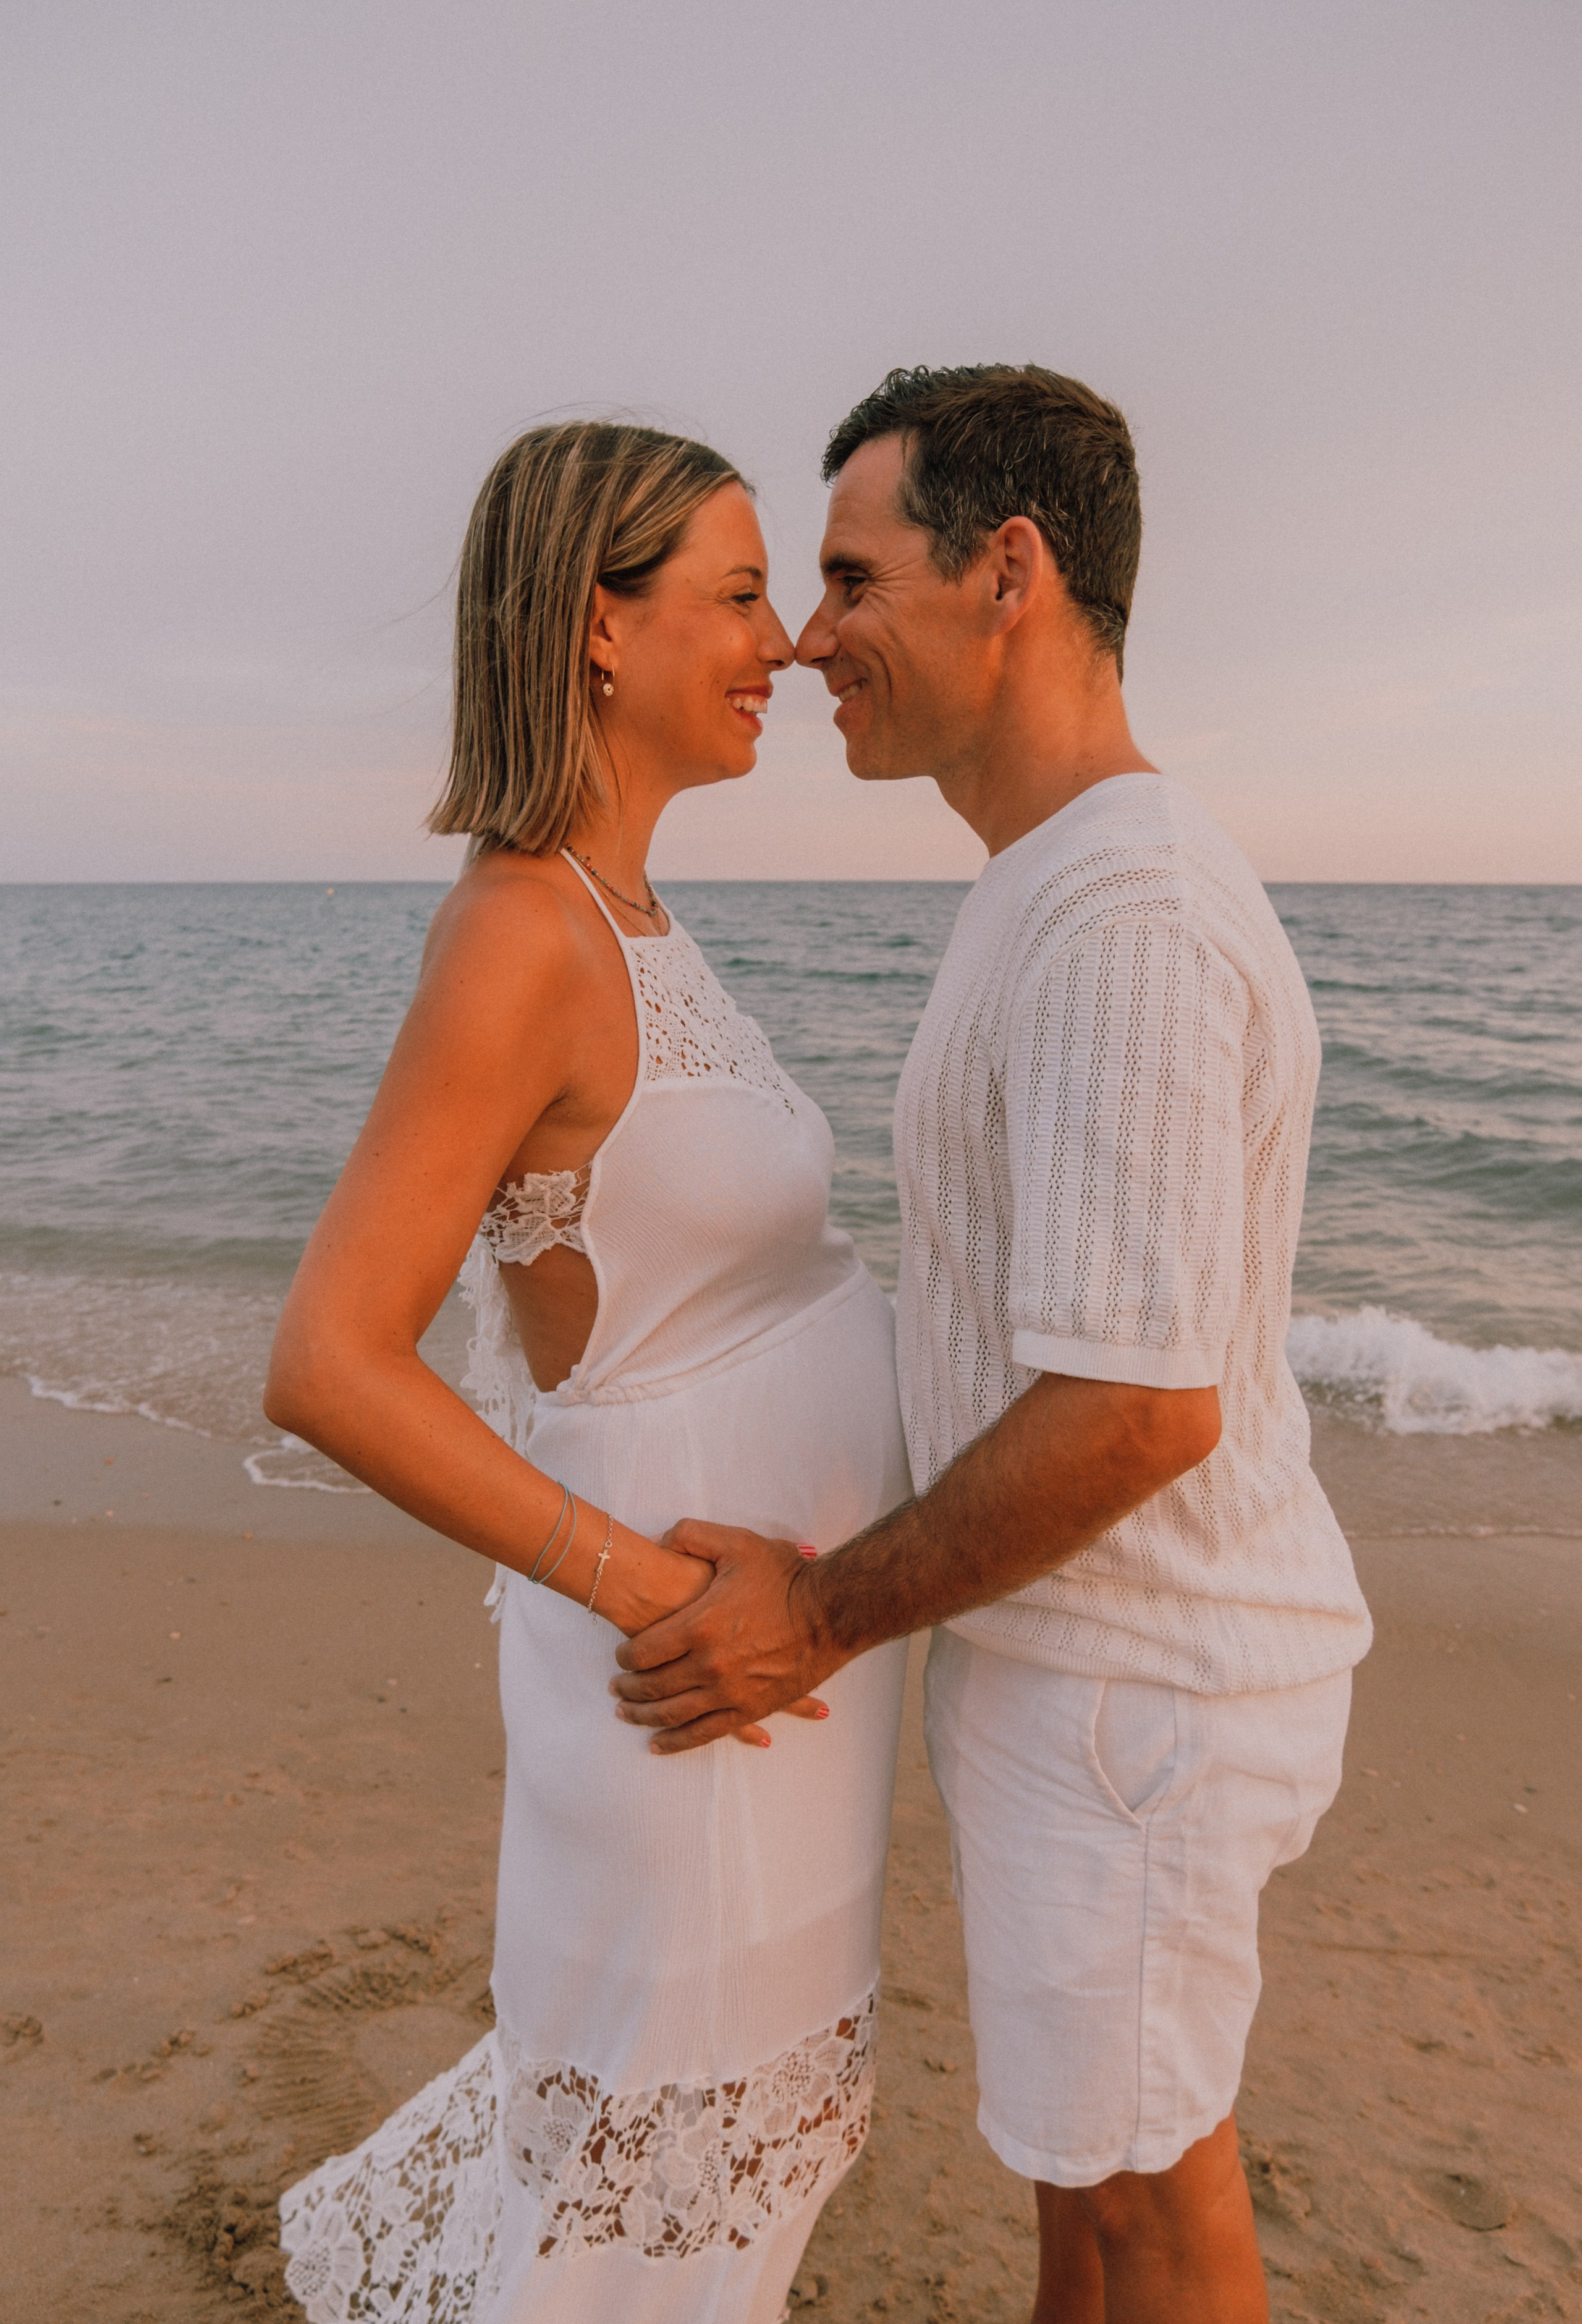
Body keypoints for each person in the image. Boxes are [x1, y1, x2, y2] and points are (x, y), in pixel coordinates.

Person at [611, 365, 1374, 2324]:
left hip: (1142, 1690)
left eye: (854, 579)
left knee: (1150, 2211)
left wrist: (820, 1612)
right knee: (1086, 2190)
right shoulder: (1053, 880)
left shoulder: (1126, 915)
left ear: (1009, 571)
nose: (808, 638)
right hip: (1090, 1677)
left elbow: (1137, 1408)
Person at [263, 421, 911, 2324]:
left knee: (716, 2195)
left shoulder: (630, 917)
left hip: (762, 1690)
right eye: (738, 595)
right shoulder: (521, 933)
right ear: (597, 628)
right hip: (688, 1691)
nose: (783, 642)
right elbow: (329, 1360)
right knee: (647, 2231)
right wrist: (639, 1586)